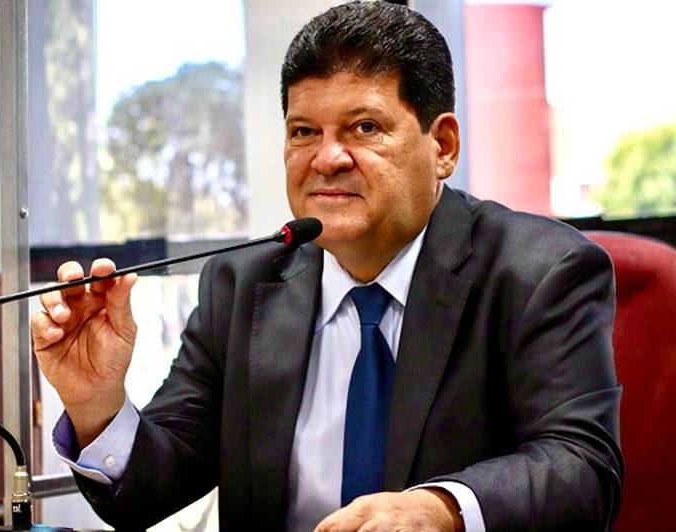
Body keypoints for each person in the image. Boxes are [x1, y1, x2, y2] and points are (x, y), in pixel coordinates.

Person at [31, 2, 622, 531]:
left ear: (442, 146)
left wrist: (442, 508)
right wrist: (96, 403)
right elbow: (151, 491)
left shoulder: (539, 271)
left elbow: (581, 469)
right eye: (303, 132)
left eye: (365, 128)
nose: (327, 158)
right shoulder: (243, 284)